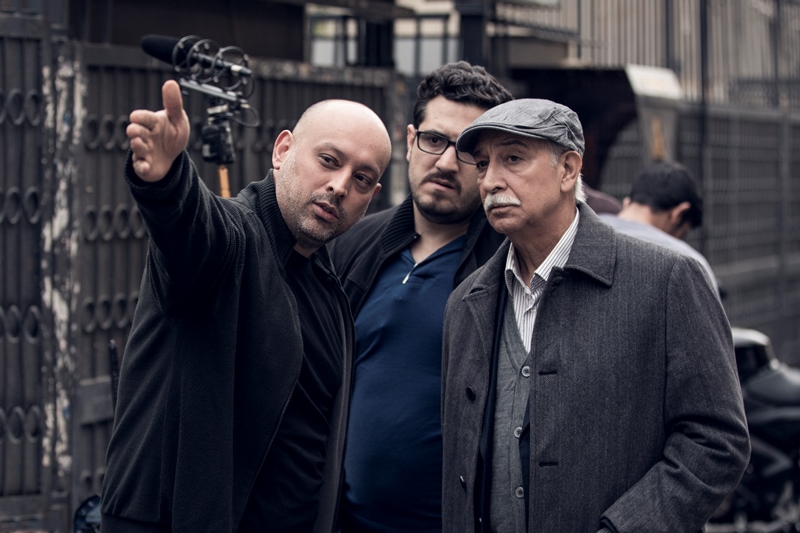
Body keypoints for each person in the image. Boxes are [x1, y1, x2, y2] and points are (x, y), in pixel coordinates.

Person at [441, 98, 750, 532]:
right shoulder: (465, 304)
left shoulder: (667, 280)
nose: (491, 180)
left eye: (513, 159)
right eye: (482, 164)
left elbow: (717, 441)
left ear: (568, 170)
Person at [100, 80, 392, 532]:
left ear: (372, 197)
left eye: (362, 179)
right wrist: (168, 178)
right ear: (282, 151)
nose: (339, 186)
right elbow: (194, 226)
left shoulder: (328, 289)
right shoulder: (234, 241)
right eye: (329, 161)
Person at [328, 62, 513, 532]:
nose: (446, 163)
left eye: (468, 151)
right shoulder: (352, 244)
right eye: (434, 140)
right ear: (410, 141)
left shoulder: (510, 263)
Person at [598, 161, 718, 293]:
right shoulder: (689, 264)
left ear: (627, 203)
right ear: (678, 214)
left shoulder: (585, 232)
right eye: (683, 233)